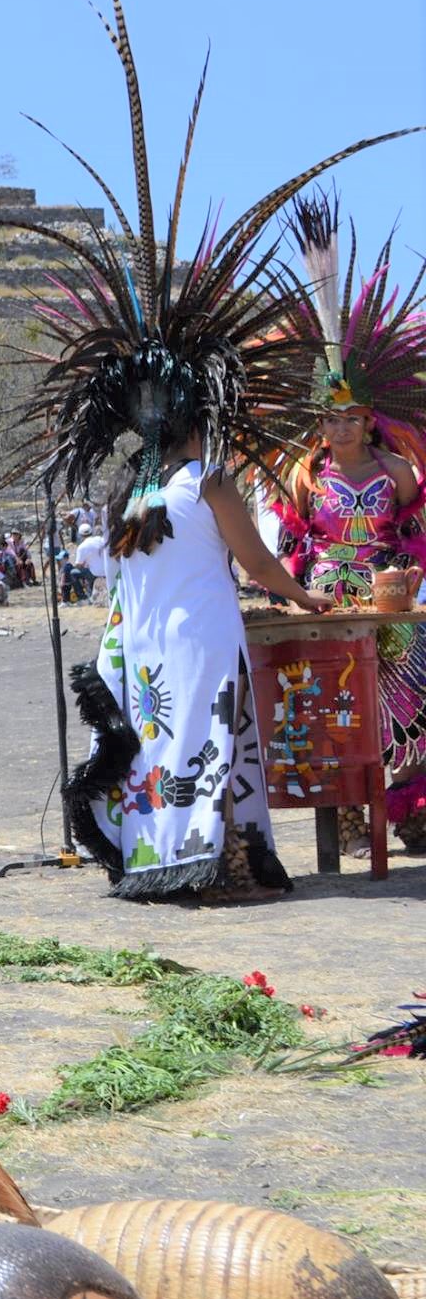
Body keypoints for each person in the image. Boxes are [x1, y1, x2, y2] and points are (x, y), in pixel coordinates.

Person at [9, 19, 378, 902]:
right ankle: (207, 862)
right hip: (204, 638)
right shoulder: (206, 482)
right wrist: (308, 596)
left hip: (142, 647)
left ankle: (168, 858)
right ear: (198, 417)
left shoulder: (129, 493)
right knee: (205, 739)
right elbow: (253, 564)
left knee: (163, 742)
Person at [270, 190, 426, 854]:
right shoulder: (306, 476)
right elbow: (291, 543)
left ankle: (409, 807)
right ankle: (354, 820)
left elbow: (417, 537)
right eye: (331, 418)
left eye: (351, 418)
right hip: (329, 604)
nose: (340, 427)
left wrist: (408, 578)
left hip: (392, 602)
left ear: (369, 419)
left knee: (410, 702)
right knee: (339, 712)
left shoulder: (398, 474)